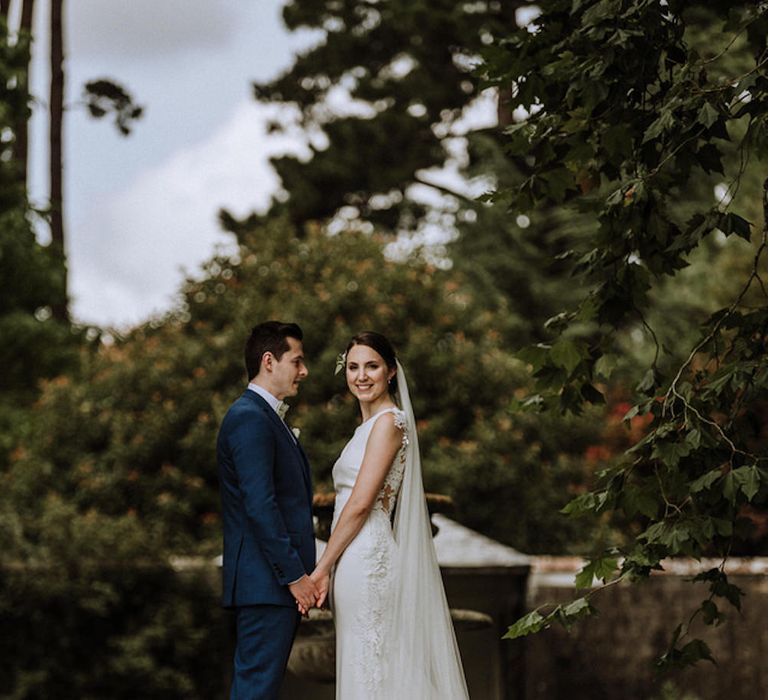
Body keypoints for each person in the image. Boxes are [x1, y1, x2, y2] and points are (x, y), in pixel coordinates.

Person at [311, 331, 469, 699]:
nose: (361, 376)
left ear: (391, 371)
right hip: (353, 560)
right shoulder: (366, 428)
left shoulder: (389, 423)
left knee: (379, 667)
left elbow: (361, 504)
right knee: (367, 663)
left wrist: (322, 568)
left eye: (372, 366)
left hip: (369, 560)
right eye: (353, 367)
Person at [217, 321, 319, 699]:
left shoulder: (264, 417)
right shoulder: (249, 417)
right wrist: (294, 577)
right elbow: (259, 506)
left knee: (260, 688)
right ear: (269, 361)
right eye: (297, 361)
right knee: (255, 690)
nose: (304, 371)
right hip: (268, 584)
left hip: (269, 584)